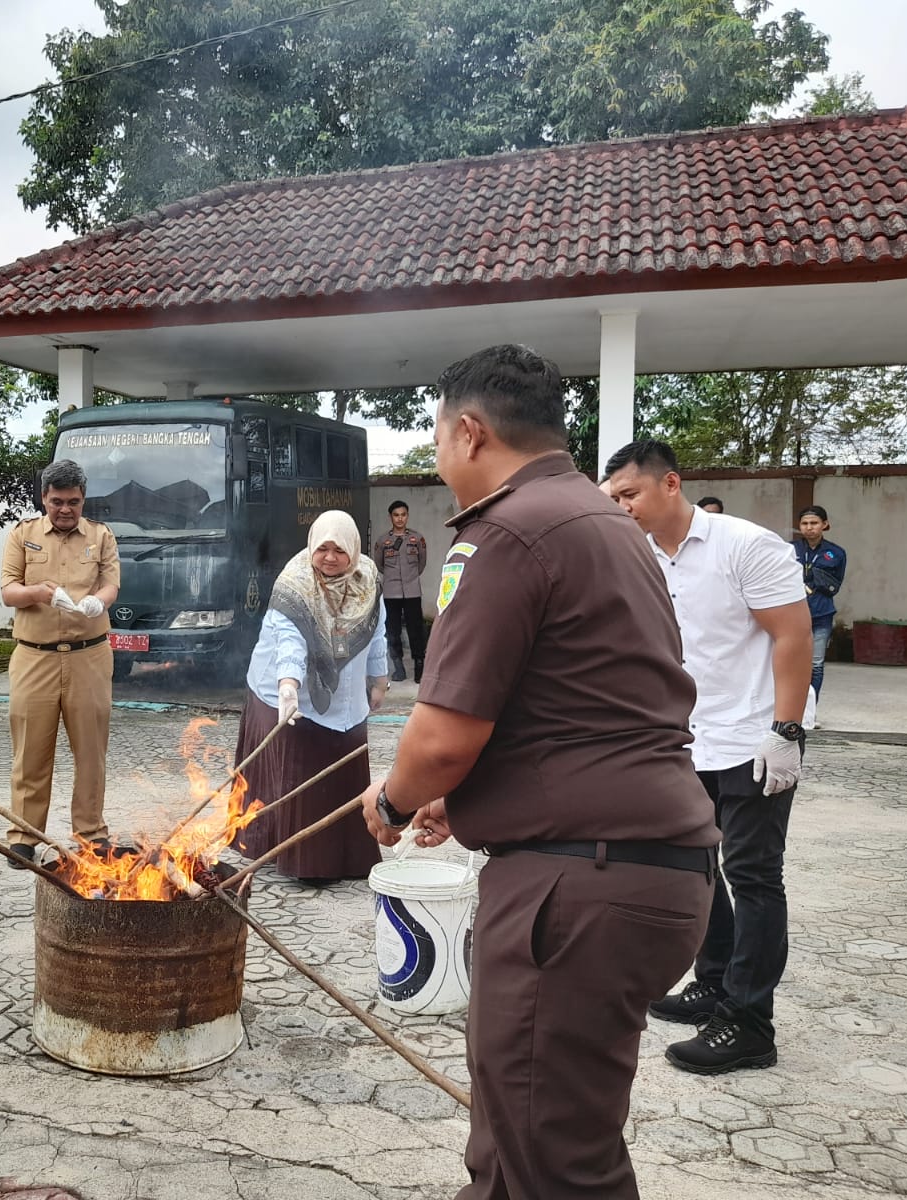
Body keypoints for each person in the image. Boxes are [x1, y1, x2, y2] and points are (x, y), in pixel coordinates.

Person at [357, 345, 716, 1200]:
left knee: (552, 1164)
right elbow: (573, 699)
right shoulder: (602, 522)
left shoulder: (507, 532)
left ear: (470, 432)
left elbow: (441, 735)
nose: (438, 459)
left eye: (438, 436)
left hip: (580, 884)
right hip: (644, 867)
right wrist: (472, 793)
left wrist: (395, 795)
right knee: (518, 1144)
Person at [605, 440, 812, 1076]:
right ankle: (714, 984)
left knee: (751, 875)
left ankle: (750, 1023)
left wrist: (786, 729)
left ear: (671, 484)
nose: (621, 508)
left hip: (753, 738)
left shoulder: (744, 545)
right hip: (685, 739)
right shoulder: (636, 556)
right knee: (698, 869)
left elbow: (793, 634)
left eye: (629, 495)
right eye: (612, 499)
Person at [231, 511, 388, 884]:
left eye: (339, 550)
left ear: (353, 550)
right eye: (323, 549)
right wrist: (288, 687)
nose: (330, 557)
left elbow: (378, 632)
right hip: (282, 693)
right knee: (295, 770)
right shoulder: (294, 584)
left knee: (343, 763)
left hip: (346, 697)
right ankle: (298, 860)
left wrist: (379, 679)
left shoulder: (368, 580)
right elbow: (290, 643)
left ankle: (347, 856)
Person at [0, 459, 119, 864]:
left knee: (91, 752)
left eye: (74, 501)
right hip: (35, 656)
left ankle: (91, 833)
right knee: (31, 750)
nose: (65, 509)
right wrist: (38, 593)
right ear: (43, 499)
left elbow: (111, 584)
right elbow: (8, 590)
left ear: (83, 499)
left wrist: (96, 601)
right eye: (56, 502)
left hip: (90, 656)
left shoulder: (101, 536)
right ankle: (24, 836)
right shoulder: (23, 535)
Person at [793, 505, 846, 707]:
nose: (809, 528)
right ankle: (789, 711)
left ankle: (810, 711)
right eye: (805, 523)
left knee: (815, 665)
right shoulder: (790, 549)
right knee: (790, 664)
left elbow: (836, 584)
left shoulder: (836, 553)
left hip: (821, 614)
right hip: (793, 616)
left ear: (825, 525)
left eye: (814, 523)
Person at [377, 500, 428, 682]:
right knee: (393, 630)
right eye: (396, 515)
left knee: (416, 630)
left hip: (413, 591)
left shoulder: (418, 538)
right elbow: (380, 564)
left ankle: (419, 666)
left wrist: (410, 577)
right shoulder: (383, 541)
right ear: (391, 517)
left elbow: (421, 563)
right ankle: (398, 667)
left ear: (407, 516)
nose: (400, 518)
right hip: (391, 592)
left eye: (403, 514)